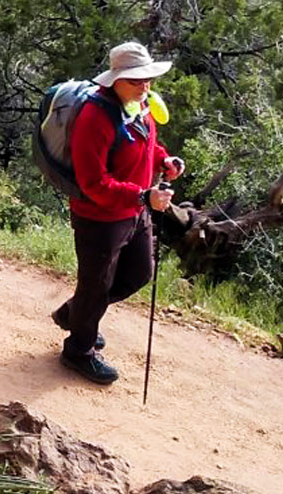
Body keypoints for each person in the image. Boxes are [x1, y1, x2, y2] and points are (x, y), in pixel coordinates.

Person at [51, 40, 184, 386]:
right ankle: (78, 351)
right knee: (96, 286)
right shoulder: (95, 116)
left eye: (148, 79)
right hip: (99, 219)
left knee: (139, 273)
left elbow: (147, 145)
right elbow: (93, 182)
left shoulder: (140, 106)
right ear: (114, 80)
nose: (145, 86)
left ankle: (76, 314)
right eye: (137, 80)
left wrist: (164, 161)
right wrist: (142, 196)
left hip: (134, 211)